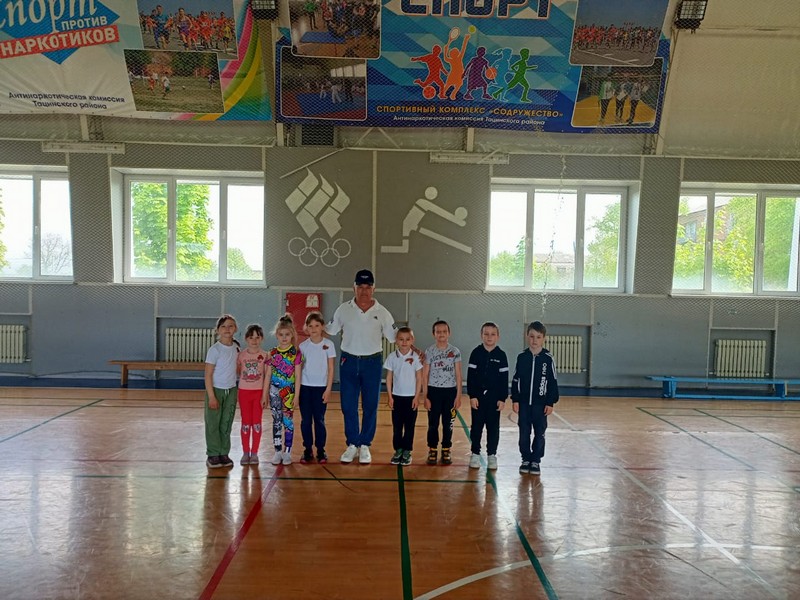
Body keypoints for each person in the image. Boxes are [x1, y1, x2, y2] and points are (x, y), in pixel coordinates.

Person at [327, 269, 396, 464]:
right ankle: (352, 444)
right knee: (348, 405)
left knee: (370, 405)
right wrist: (310, 329)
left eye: (368, 287)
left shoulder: (382, 313)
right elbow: (330, 330)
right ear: (354, 288)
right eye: (360, 287)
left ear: (373, 289)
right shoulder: (343, 309)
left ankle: (365, 444)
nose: (364, 291)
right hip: (348, 361)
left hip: (372, 363)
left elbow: (396, 337)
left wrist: (414, 349)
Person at [511, 321, 559, 475]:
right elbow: (516, 379)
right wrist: (515, 399)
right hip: (524, 404)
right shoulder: (522, 357)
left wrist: (550, 402)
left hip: (540, 405)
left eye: (538, 337)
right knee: (524, 432)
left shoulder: (548, 359)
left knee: (540, 432)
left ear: (543, 338)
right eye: (531, 336)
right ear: (527, 336)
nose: (534, 340)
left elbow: (552, 381)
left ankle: (536, 460)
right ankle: (525, 458)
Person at [466, 322, 509, 470]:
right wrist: (472, 395)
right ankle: (475, 453)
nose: (489, 337)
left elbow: (504, 380)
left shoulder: (501, 355)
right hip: (478, 399)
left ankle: (492, 455)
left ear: (498, 336)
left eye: (493, 334)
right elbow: (470, 377)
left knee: (493, 428)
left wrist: (502, 398)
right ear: (481, 335)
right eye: (486, 334)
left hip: (494, 399)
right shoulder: (476, 353)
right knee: (476, 427)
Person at [262, 314, 302, 466]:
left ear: (292, 335)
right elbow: (267, 375)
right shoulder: (272, 353)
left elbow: (298, 376)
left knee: (288, 421)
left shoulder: (295, 353)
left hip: (289, 394)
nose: (284, 337)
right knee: (276, 421)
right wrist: (264, 395)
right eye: (281, 334)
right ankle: (277, 451)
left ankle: (288, 452)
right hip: (274, 393)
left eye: (287, 334)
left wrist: (296, 396)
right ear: (276, 335)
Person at [422, 320, 462, 465]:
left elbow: (458, 375)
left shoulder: (455, 352)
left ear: (449, 333)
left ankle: (446, 449)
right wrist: (425, 396)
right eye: (438, 332)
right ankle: (432, 449)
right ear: (434, 334)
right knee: (433, 423)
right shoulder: (429, 351)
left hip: (450, 392)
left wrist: (458, 396)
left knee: (448, 423)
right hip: (434, 391)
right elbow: (425, 375)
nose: (441, 334)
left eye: (444, 331)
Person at [298, 311, 336, 464]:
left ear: (322, 327)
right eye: (310, 326)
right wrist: (297, 391)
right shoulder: (303, 346)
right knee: (306, 420)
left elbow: (331, 369)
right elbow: (299, 369)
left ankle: (321, 449)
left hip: (321, 388)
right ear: (306, 328)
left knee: (319, 420)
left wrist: (328, 389)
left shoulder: (329, 345)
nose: (313, 329)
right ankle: (307, 449)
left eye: (317, 325)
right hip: (305, 388)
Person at [204, 314, 239, 468]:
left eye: (230, 326)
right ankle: (213, 454)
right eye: (223, 326)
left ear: (235, 329)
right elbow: (208, 374)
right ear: (218, 330)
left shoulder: (237, 348)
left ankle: (224, 452)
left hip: (231, 390)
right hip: (216, 390)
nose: (227, 329)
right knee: (213, 423)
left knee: (226, 422)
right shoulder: (215, 350)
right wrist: (211, 396)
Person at [384, 326, 423, 466]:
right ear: (396, 341)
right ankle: (398, 450)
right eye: (401, 339)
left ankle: (407, 451)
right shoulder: (392, 357)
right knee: (397, 426)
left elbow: (419, 378)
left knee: (409, 426)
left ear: (412, 340)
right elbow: (389, 378)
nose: (404, 342)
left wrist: (417, 397)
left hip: (411, 398)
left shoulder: (416, 357)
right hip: (397, 397)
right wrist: (390, 396)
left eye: (407, 339)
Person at [237, 324, 267, 466]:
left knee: (256, 423)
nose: (254, 340)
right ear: (246, 339)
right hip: (244, 392)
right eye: (251, 337)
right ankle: (245, 452)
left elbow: (267, 377)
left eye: (257, 337)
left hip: (258, 393)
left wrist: (264, 395)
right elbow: (238, 371)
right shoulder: (241, 355)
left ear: (262, 338)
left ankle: (254, 452)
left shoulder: (265, 356)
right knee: (246, 423)